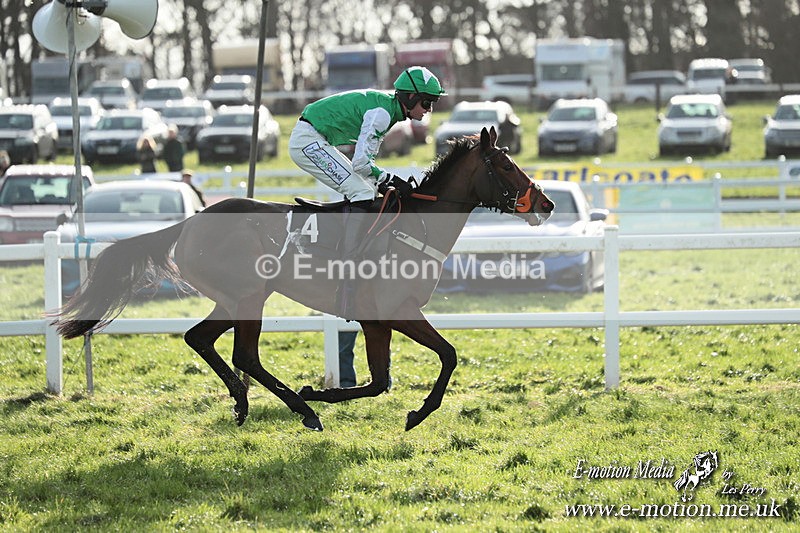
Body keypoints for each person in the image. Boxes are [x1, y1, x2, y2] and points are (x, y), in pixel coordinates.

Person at [289, 66, 446, 317]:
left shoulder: (389, 111)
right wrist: (389, 178)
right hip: (307, 142)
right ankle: (349, 263)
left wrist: (383, 181)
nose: (428, 109)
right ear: (410, 98)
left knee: (366, 190)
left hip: (317, 139)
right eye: (427, 102)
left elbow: (365, 166)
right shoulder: (383, 113)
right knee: (362, 193)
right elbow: (361, 164)